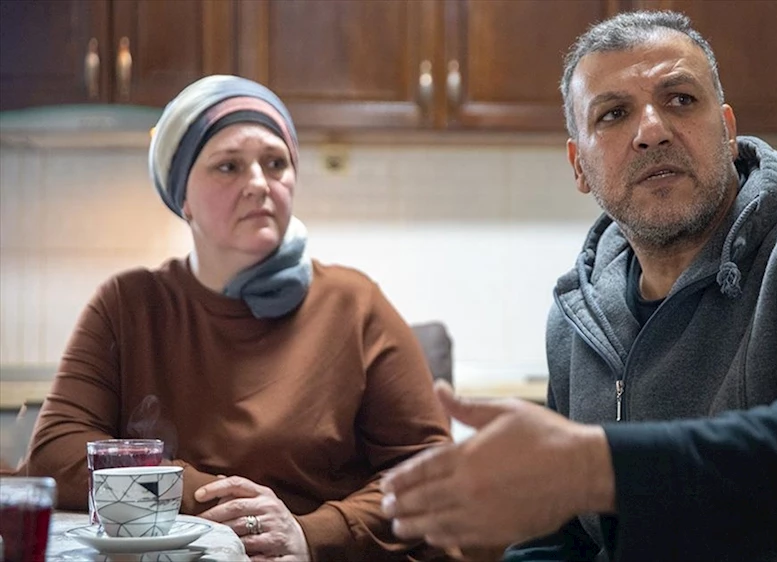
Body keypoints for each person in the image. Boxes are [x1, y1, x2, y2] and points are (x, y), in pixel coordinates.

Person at [379, 10, 777, 561]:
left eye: (680, 99)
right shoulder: (578, 317)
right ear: (578, 166)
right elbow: (566, 538)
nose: (652, 131)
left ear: (728, 131)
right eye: (613, 114)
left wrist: (589, 466)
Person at [16, 75, 454, 561]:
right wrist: (211, 503)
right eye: (228, 166)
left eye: (276, 163)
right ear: (182, 197)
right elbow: (55, 452)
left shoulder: (355, 304)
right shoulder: (127, 304)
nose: (260, 184)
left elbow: (432, 470)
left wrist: (311, 535)